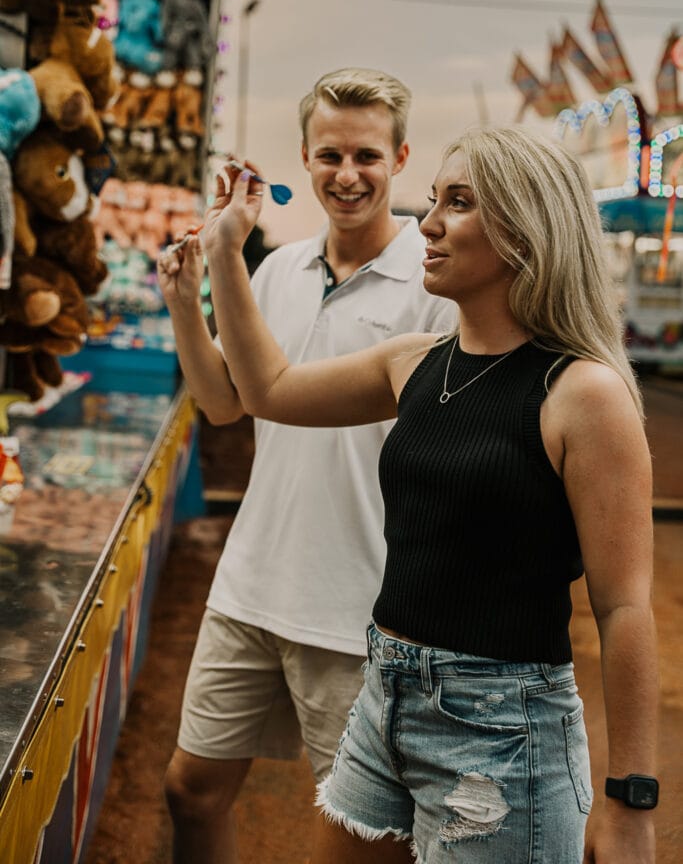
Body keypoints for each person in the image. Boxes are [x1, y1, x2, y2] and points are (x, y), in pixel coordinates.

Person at [198, 125, 658, 864]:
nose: (428, 225)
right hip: (383, 696)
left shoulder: (583, 393)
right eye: (435, 199)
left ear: (526, 233)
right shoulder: (414, 363)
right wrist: (224, 250)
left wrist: (631, 801)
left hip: (501, 731)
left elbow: (623, 607)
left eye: (459, 203)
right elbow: (265, 389)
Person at [158, 67, 456, 862]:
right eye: (328, 156)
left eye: (365, 155)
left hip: (359, 606)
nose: (346, 174)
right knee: (190, 792)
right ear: (304, 158)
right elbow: (225, 403)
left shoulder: (433, 290)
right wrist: (189, 301)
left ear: (398, 158)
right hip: (252, 583)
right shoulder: (277, 270)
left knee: (361, 836)